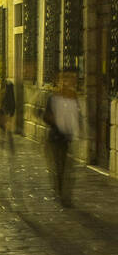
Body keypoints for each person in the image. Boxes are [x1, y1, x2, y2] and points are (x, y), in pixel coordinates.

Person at [43, 70, 80, 207]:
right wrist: (56, 121)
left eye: (70, 80)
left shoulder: (73, 97)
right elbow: (45, 116)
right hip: (55, 137)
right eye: (65, 80)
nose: (68, 83)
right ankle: (60, 192)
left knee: (66, 167)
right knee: (59, 167)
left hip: (66, 137)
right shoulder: (53, 98)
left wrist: (75, 131)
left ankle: (64, 193)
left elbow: (76, 116)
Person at [0, 78, 16, 152]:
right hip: (8, 112)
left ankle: (3, 142)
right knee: (7, 129)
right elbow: (13, 104)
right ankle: (9, 143)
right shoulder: (11, 94)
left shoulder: (5, 93)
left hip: (6, 113)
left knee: (4, 129)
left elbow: (3, 103)